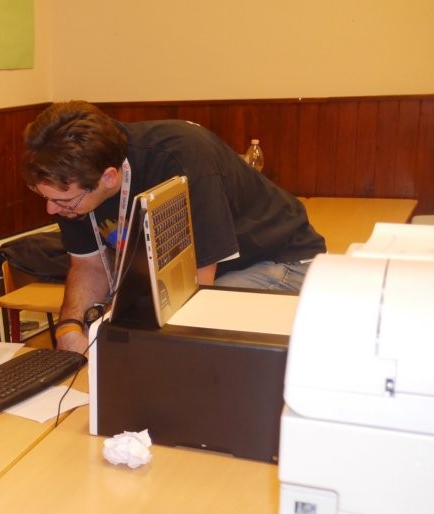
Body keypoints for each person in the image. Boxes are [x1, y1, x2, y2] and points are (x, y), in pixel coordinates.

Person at [20, 101, 326, 354]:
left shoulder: (182, 158)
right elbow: (88, 265)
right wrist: (69, 327)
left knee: (194, 340)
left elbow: (199, 285)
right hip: (208, 274)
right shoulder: (69, 179)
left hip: (279, 261)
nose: (52, 209)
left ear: (109, 178)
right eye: (44, 197)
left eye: (63, 201)